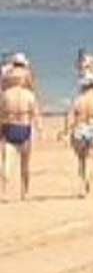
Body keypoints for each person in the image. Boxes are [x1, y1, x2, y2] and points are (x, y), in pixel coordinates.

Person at [63, 72, 93, 198]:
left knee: (81, 159)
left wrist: (66, 132)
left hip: (80, 127)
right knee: (90, 158)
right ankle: (85, 183)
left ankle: (83, 183)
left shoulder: (77, 101)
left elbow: (69, 117)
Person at [0, 59, 42, 200]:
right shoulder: (29, 94)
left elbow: (1, 114)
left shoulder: (5, 94)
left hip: (9, 127)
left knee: (6, 163)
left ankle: (4, 192)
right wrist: (39, 129)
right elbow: (35, 114)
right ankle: (24, 192)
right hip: (24, 128)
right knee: (25, 164)